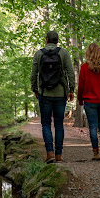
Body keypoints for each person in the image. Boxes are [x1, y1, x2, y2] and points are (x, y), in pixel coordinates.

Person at [30, 30, 75, 163]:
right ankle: (59, 155)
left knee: (45, 124)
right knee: (59, 124)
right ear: (57, 40)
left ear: (46, 40)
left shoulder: (39, 54)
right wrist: (71, 89)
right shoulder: (64, 53)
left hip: (44, 93)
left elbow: (33, 75)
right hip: (60, 93)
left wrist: (35, 90)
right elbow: (70, 72)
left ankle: (50, 153)